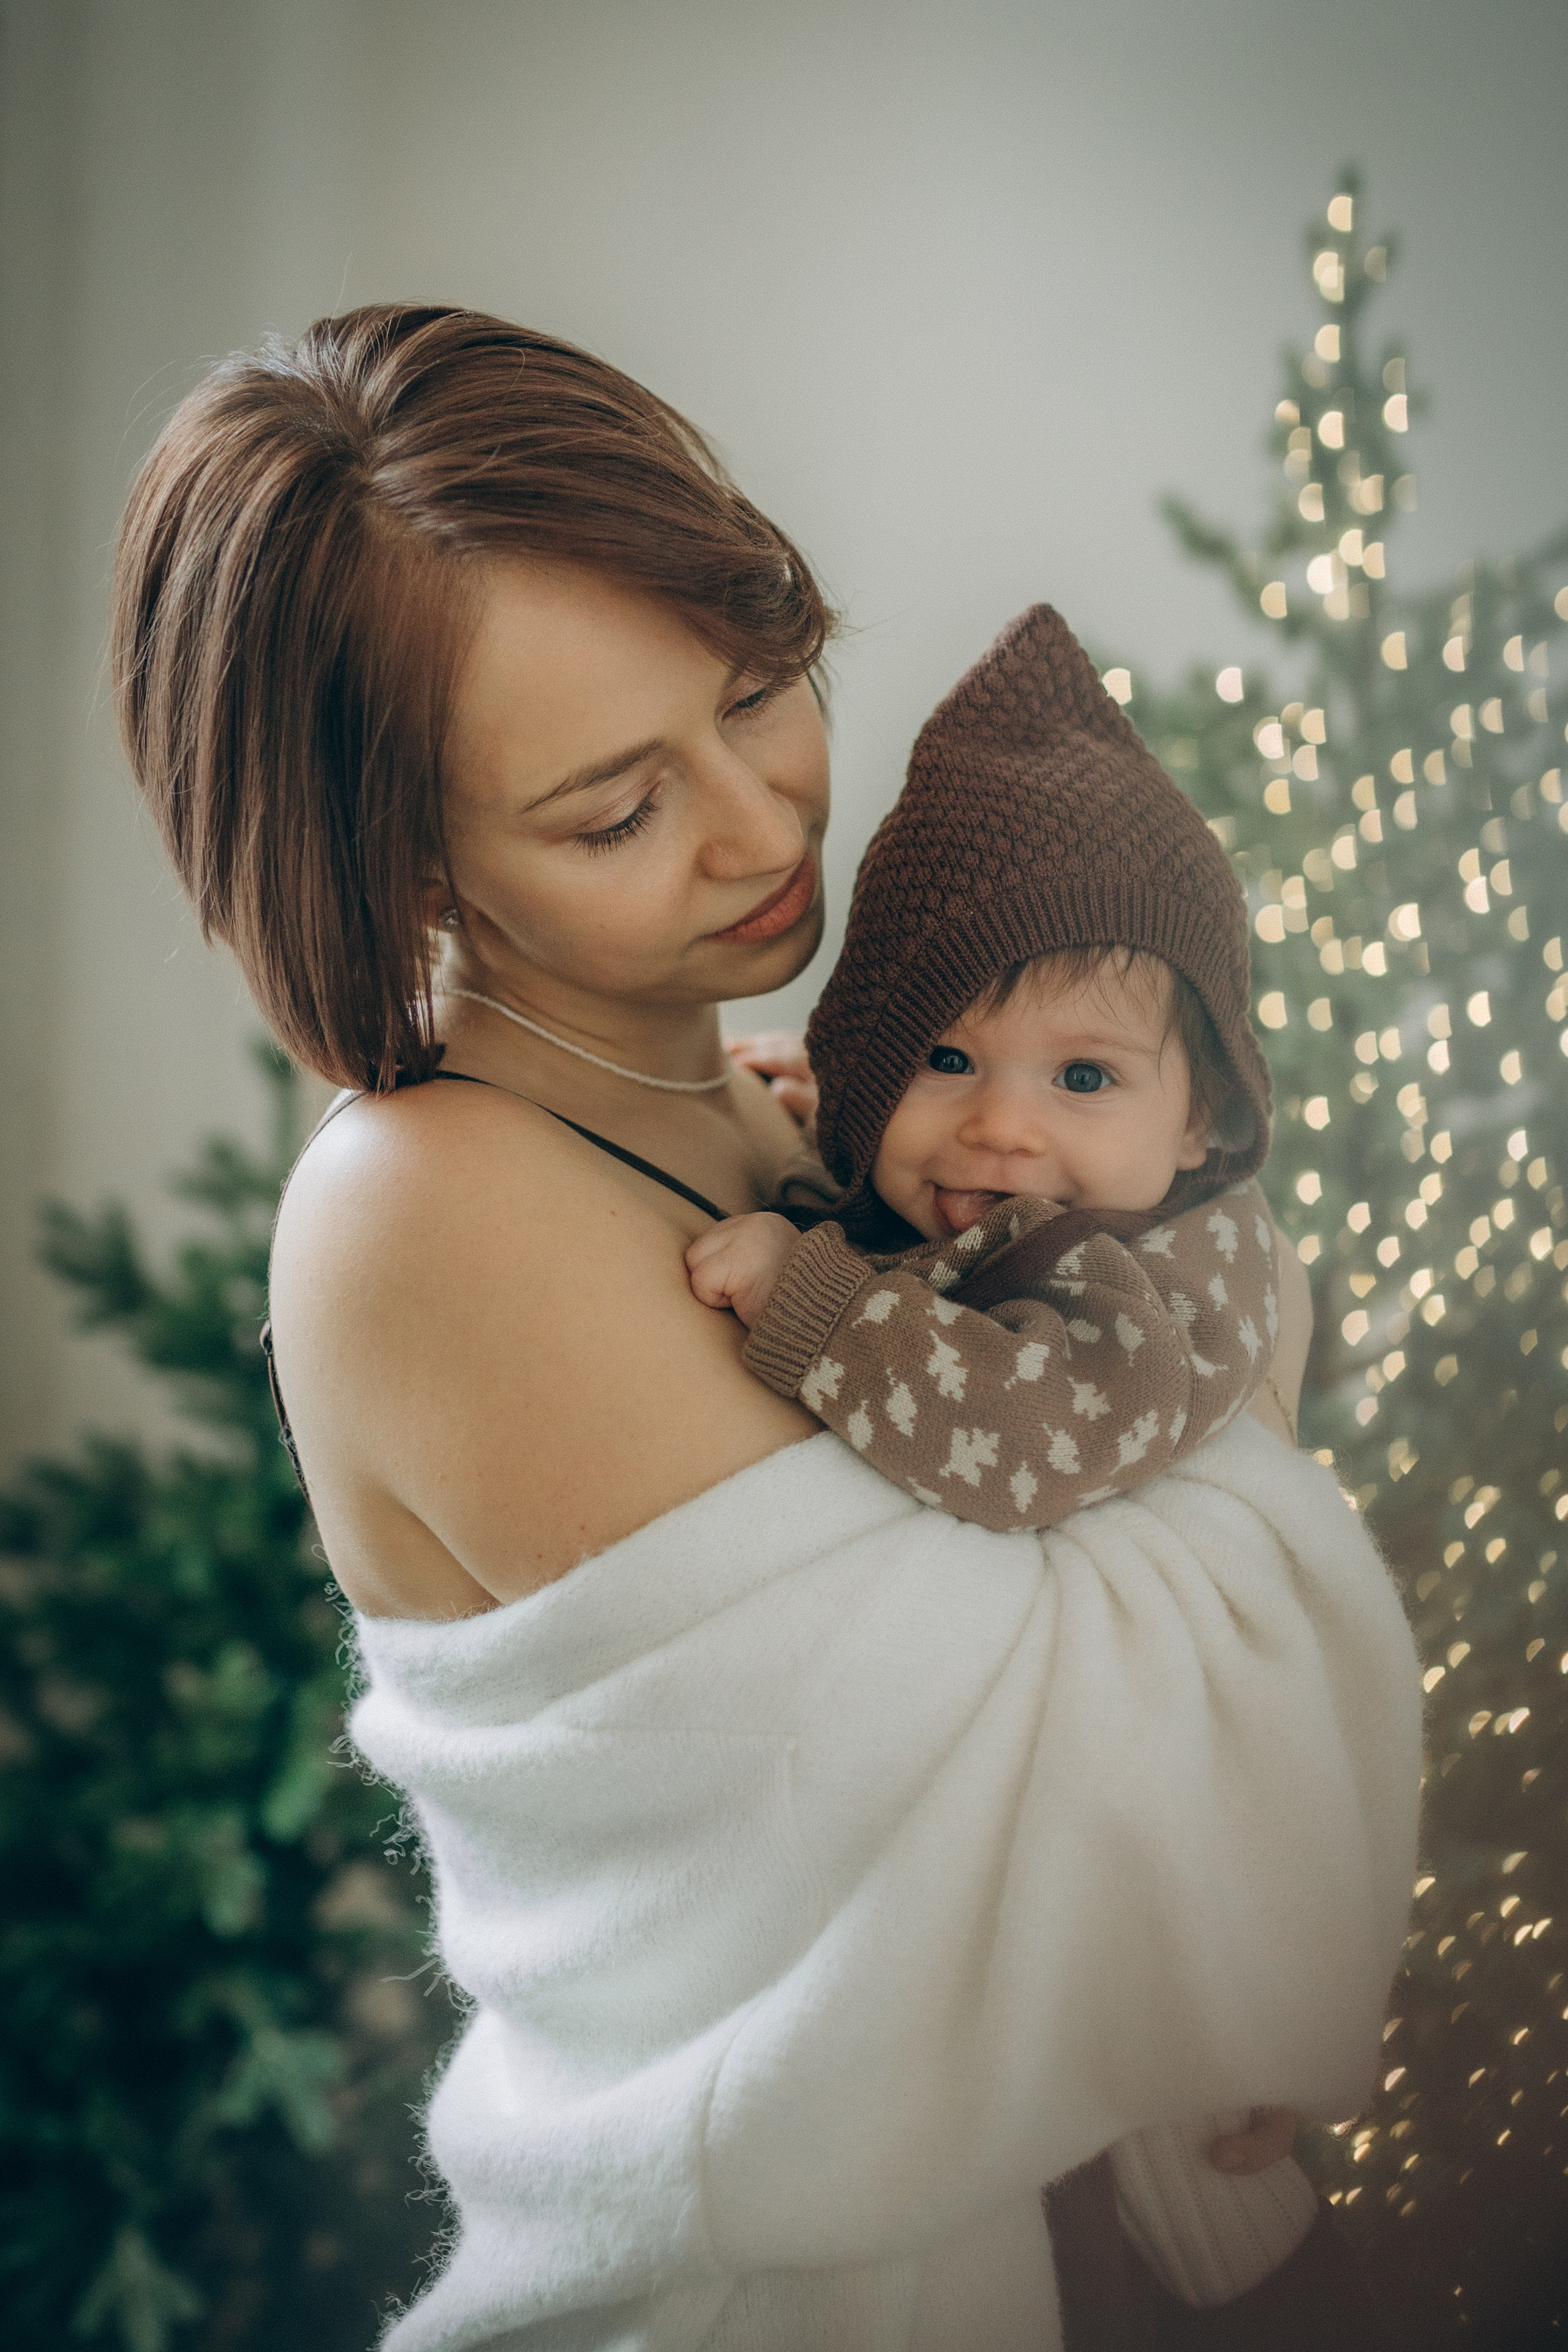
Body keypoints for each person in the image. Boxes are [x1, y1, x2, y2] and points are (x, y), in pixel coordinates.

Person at [111, 303, 1420, 2351]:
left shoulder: (784, 1094)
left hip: (1147, 2243)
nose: (766, 823)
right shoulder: (424, 1207)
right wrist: (1243, 1350)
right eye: (615, 810)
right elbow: (1039, 1739)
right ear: (397, 860)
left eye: (761, 689)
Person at [686, 598, 1361, 2320]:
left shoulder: (1175, 1277)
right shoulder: (1038, 1193)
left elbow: (1019, 1440)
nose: (1000, 1126)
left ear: (1199, 1122)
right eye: (939, 1055)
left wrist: (818, 1295)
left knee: (1169, 2210)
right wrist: (835, 1152)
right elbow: (951, 1260)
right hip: (1042, 1909)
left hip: (1177, 1886)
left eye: (1081, 1073)